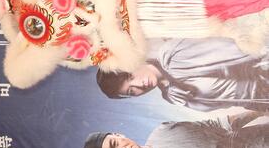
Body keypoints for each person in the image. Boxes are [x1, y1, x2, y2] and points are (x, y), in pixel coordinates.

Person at [96, 37, 269, 112]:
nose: (139, 85)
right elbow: (225, 102)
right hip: (259, 103)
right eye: (131, 92)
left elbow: (243, 51)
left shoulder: (172, 57)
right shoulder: (171, 96)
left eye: (130, 77)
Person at [83, 111, 269, 148]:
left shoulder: (163, 131)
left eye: (114, 144)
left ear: (119, 135)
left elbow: (217, 124)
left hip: (254, 140)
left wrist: (259, 109)